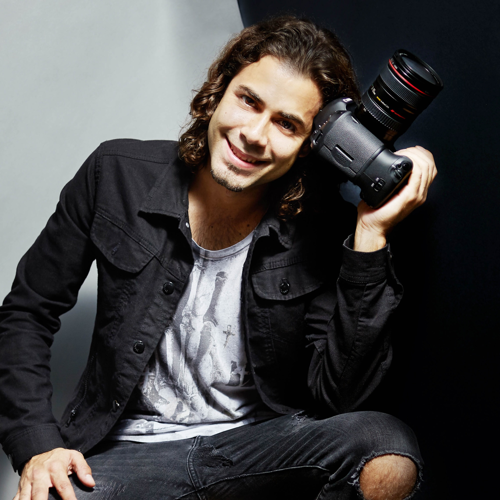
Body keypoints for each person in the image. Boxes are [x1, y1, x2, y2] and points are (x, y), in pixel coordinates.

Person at [0, 16, 436, 500]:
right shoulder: (116, 175)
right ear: (219, 91)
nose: (254, 134)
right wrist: (37, 446)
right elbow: (26, 313)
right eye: (248, 101)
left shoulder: (320, 227)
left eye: (286, 124)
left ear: (308, 147)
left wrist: (370, 233)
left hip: (260, 452)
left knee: (386, 449)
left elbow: (340, 398)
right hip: (130, 456)